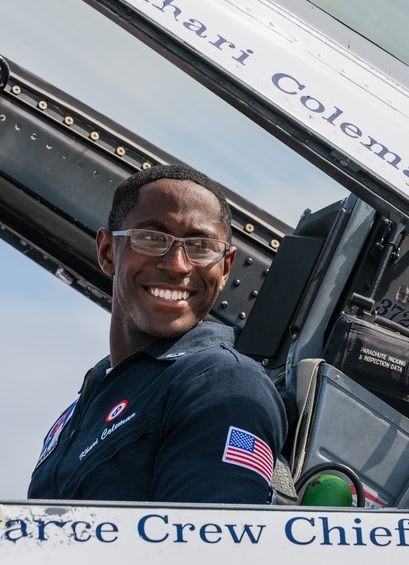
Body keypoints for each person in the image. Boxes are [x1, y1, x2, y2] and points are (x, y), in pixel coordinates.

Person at [27, 164, 287, 503]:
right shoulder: (79, 410)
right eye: (152, 238)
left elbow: (216, 545)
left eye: (201, 245)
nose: (177, 264)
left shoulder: (223, 383)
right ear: (108, 252)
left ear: (225, 268)